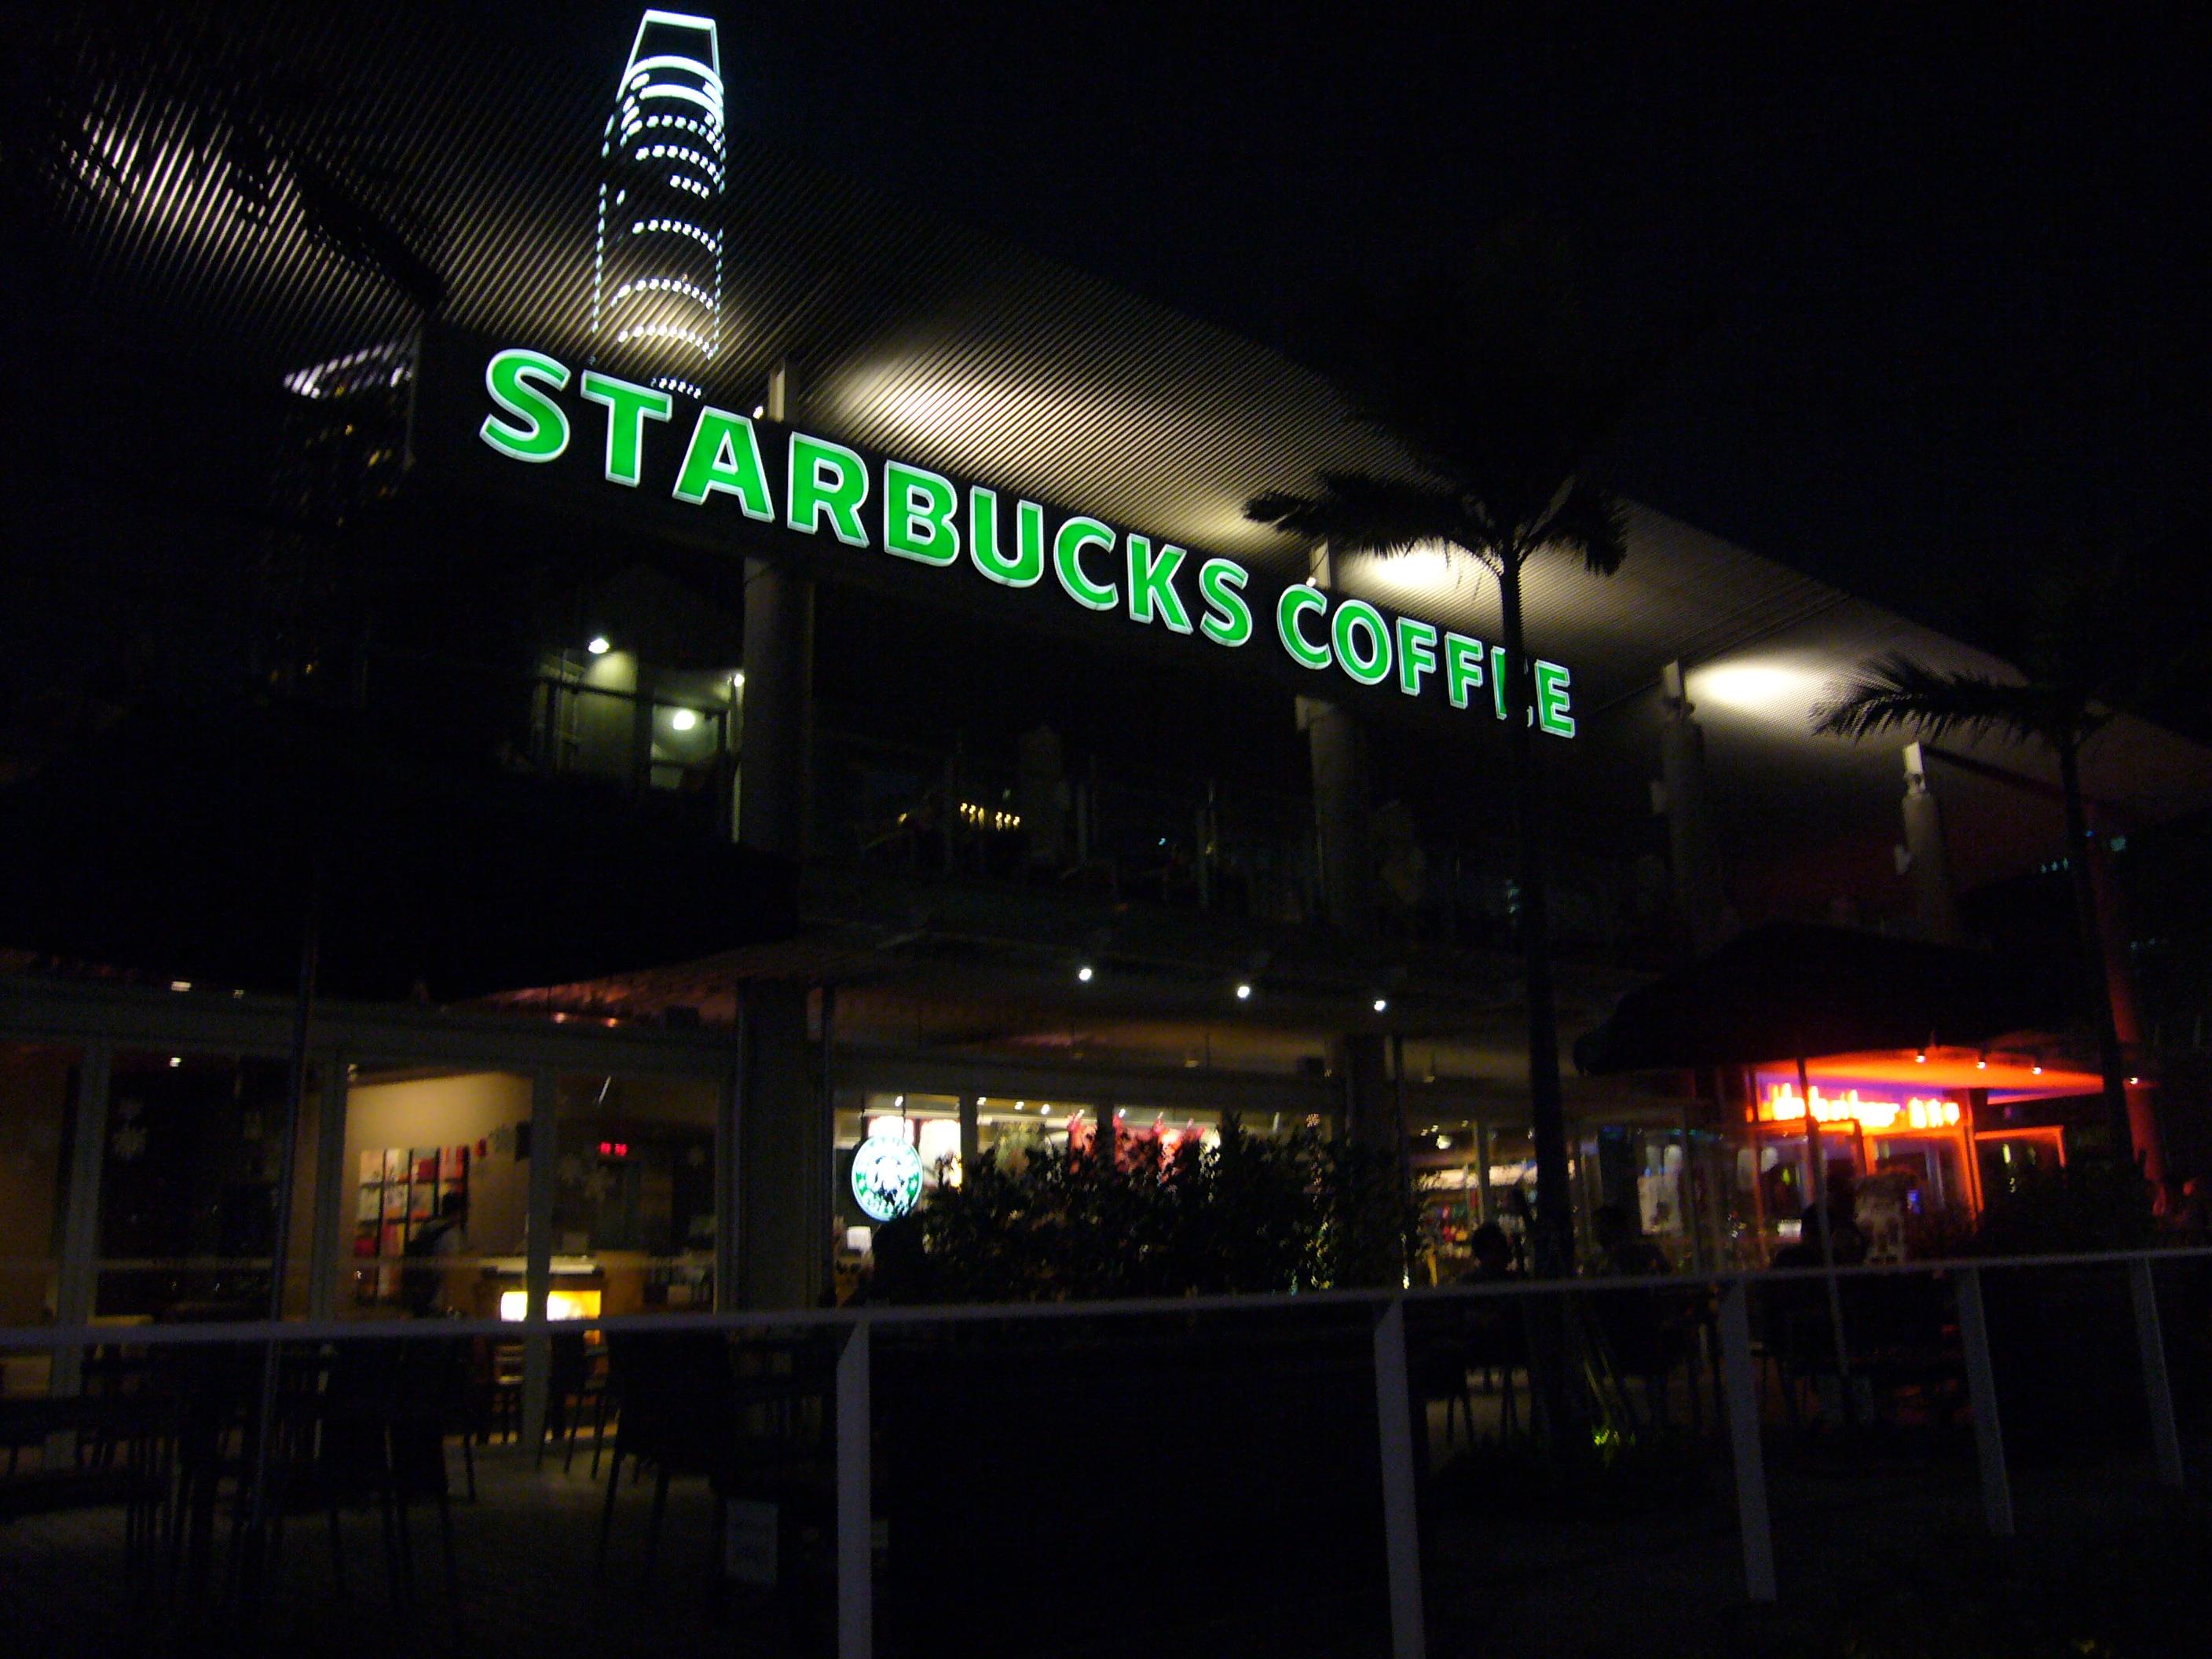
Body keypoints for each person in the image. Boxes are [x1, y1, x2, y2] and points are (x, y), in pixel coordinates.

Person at [401, 1192, 468, 1316]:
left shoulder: (428, 1227)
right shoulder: (452, 1235)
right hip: (438, 1296)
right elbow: (451, 1270)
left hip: (420, 1289)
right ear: (459, 1212)